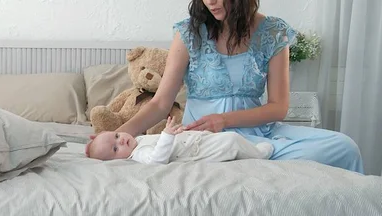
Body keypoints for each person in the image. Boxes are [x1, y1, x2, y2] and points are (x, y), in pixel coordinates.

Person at [114, 0, 364, 173]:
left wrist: (224, 119)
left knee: (345, 147)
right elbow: (160, 103)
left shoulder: (274, 32)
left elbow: (279, 107)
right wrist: (117, 135)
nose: (210, 2)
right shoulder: (188, 33)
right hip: (202, 141)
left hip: (257, 135)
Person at [86, 116, 274, 164]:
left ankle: (249, 150)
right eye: (115, 149)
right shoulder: (138, 154)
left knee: (227, 139)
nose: (121, 141)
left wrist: (177, 132)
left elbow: (164, 142)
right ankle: (259, 154)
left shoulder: (138, 140)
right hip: (197, 153)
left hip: (194, 142)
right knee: (231, 141)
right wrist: (167, 135)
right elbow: (157, 159)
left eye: (117, 136)